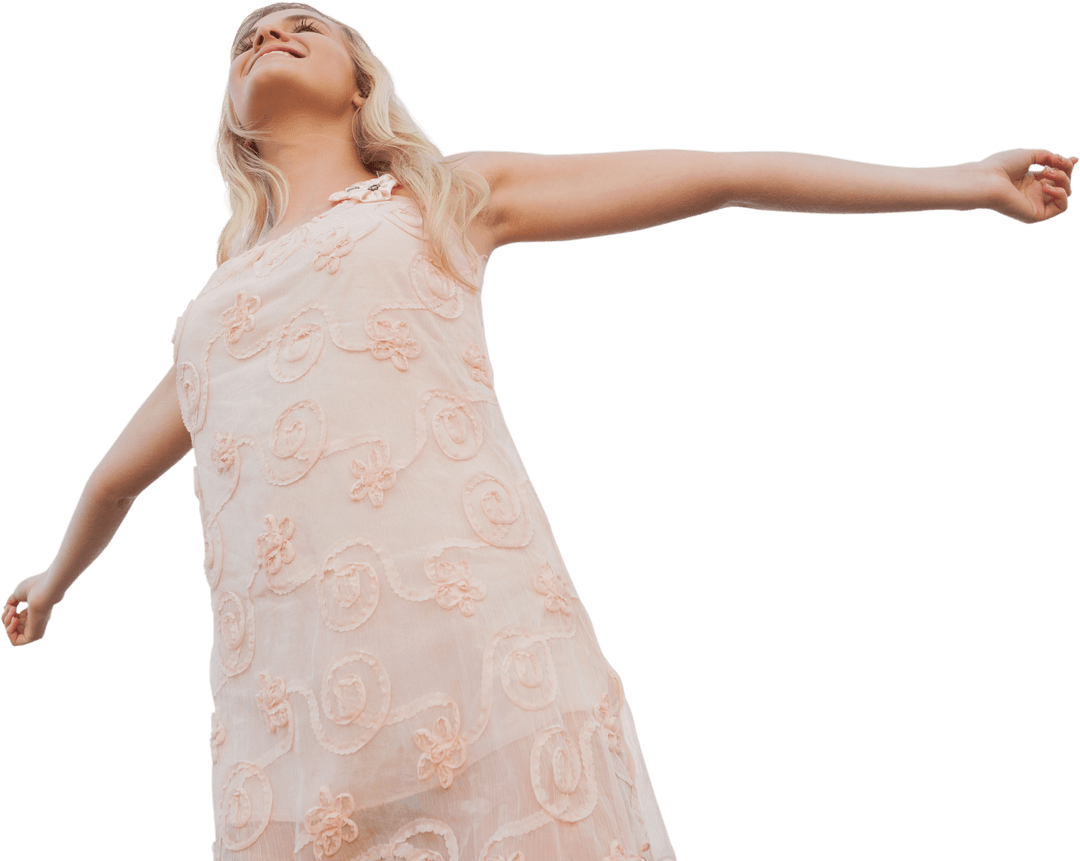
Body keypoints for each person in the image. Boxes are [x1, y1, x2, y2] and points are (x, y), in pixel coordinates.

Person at [3, 2, 1074, 859]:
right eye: (246, 36)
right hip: (288, 727)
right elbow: (114, 481)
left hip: (475, 664)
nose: (268, 33)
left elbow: (720, 173)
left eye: (304, 25)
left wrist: (963, 183)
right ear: (232, 117)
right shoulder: (212, 315)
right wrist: (52, 581)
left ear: (363, 81)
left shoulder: (439, 199)